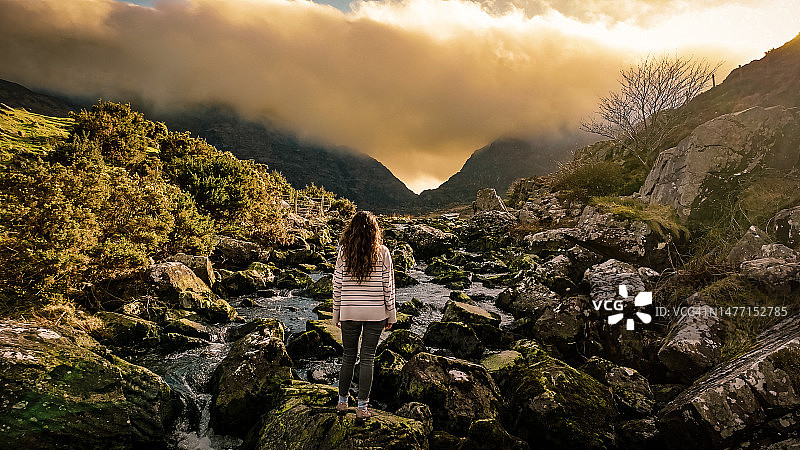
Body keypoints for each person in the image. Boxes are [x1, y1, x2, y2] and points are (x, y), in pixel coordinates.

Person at [333, 210, 397, 420]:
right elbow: (388, 287)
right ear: (374, 231)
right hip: (375, 313)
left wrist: (336, 314)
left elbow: (337, 285)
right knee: (367, 358)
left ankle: (342, 403)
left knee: (348, 357)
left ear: (351, 230)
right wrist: (391, 315)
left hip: (349, 311)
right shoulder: (383, 252)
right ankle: (362, 408)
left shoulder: (344, 252)